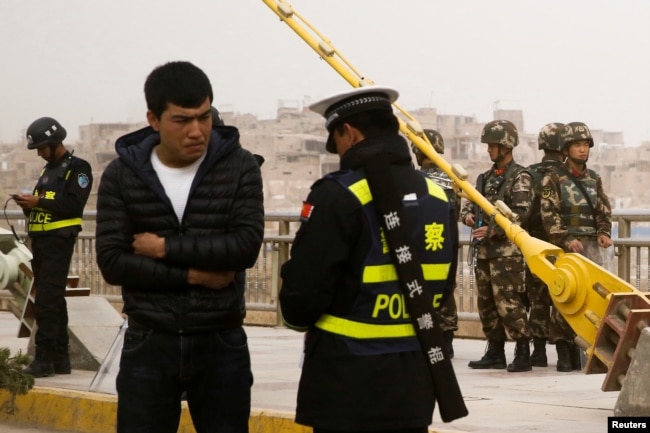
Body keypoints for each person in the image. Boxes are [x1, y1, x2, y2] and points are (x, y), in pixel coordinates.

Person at [95, 61, 264, 433]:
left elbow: (245, 247)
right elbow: (113, 262)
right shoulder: (122, 175)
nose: (197, 131)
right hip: (149, 339)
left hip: (220, 340)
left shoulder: (240, 167)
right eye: (182, 120)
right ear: (153, 119)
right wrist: (194, 273)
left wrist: (164, 248)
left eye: (204, 117)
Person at [279, 86, 459, 433]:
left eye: (337, 142)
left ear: (349, 132)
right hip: (414, 384)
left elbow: (300, 300)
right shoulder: (438, 198)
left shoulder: (338, 195)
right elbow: (444, 286)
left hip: (346, 382)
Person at [13, 117, 93, 378]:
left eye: (41, 148)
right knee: (53, 301)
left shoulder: (78, 168)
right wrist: (29, 206)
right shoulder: (47, 172)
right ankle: (61, 358)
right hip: (42, 243)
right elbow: (44, 205)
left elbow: (72, 205)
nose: (38, 154)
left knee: (47, 301)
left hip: (59, 241)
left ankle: (44, 358)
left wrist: (38, 202)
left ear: (54, 143)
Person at [459, 120, 533, 372]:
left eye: (493, 145)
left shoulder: (520, 177)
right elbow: (470, 203)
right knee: (487, 303)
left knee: (509, 302)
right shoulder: (483, 178)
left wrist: (492, 230)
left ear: (507, 146)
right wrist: (468, 217)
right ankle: (495, 350)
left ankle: (523, 350)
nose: (489, 150)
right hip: (483, 252)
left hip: (507, 254)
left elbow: (522, 213)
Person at [540, 121, 612, 372]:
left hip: (591, 249)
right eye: (577, 145)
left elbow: (604, 210)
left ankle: (584, 346)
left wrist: (603, 232)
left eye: (585, 145)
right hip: (566, 248)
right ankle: (563, 349)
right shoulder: (554, 177)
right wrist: (565, 239)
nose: (583, 150)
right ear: (566, 148)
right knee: (565, 296)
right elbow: (549, 214)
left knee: (591, 297)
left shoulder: (594, 179)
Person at [411, 128, 460, 358]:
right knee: (445, 287)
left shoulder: (415, 179)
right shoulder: (452, 178)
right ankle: (447, 339)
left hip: (419, 239)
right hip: (446, 237)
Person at [525, 122, 565, 367]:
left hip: (535, 247)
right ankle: (566, 355)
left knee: (537, 299)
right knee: (563, 298)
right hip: (562, 245)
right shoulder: (567, 173)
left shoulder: (529, 173)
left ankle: (538, 351)